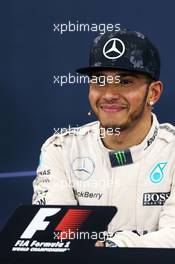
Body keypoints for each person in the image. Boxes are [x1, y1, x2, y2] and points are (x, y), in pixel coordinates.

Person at [32, 28, 175, 248]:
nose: (108, 94)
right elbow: (54, 239)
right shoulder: (60, 149)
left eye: (125, 82)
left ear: (153, 93)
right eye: (99, 81)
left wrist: (109, 246)